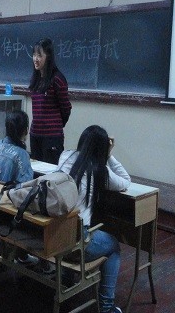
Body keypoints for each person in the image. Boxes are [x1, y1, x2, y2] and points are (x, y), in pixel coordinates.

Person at [57, 125, 131, 313]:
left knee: (72, 227)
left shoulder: (65, 156)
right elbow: (126, 180)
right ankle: (106, 307)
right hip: (76, 243)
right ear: (102, 149)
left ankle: (66, 281)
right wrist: (109, 155)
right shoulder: (100, 170)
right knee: (114, 246)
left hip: (55, 236)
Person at [29, 38, 72, 164]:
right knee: (36, 171)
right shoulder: (36, 79)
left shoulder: (57, 79)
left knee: (50, 172)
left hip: (52, 137)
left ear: (48, 57)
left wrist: (55, 125)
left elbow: (66, 108)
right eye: (34, 55)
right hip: (35, 134)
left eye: (39, 55)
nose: (35, 59)